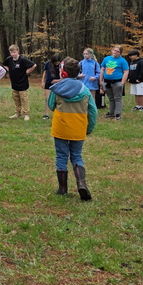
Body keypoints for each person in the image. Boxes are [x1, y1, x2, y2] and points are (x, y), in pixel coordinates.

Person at [48, 56, 97, 200]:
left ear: (63, 72)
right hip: (78, 128)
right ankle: (81, 183)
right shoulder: (85, 90)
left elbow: (51, 105)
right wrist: (89, 128)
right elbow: (93, 112)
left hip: (60, 128)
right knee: (76, 155)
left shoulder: (57, 88)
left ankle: (62, 188)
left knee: (61, 156)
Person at [3, 45, 36, 120]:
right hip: (14, 83)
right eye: (11, 52)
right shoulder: (9, 59)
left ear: (18, 51)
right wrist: (9, 70)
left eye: (14, 52)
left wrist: (28, 71)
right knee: (16, 99)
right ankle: (17, 113)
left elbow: (34, 65)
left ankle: (26, 114)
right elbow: (4, 64)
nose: (13, 54)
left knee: (24, 99)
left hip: (23, 83)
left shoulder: (23, 59)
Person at [99, 44, 129, 120]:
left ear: (120, 53)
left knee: (117, 99)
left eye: (118, 51)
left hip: (117, 82)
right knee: (111, 98)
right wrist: (101, 81)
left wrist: (122, 82)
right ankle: (111, 113)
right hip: (107, 82)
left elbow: (126, 71)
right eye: (114, 50)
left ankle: (117, 114)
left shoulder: (122, 61)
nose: (115, 52)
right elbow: (102, 69)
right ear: (112, 50)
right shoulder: (106, 59)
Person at [40, 53, 62, 120]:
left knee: (58, 99)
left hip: (58, 83)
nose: (56, 63)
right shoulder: (48, 64)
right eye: (55, 62)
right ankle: (46, 114)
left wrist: (61, 80)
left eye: (58, 62)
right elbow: (45, 72)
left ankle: (57, 114)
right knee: (47, 99)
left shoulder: (62, 65)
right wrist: (43, 81)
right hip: (49, 83)